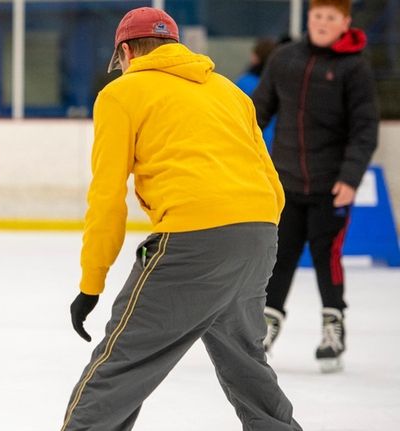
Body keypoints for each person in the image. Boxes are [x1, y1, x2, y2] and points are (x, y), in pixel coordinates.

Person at [62, 7, 301, 431]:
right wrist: (249, 236)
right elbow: (272, 182)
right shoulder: (229, 91)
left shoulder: (121, 93)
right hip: (259, 233)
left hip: (193, 239)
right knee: (245, 359)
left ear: (127, 52)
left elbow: (106, 198)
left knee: (121, 363)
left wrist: (91, 284)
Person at [252, 0, 379, 373]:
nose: (323, 23)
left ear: (345, 23)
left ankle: (333, 326)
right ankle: (266, 325)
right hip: (286, 183)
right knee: (279, 257)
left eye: (331, 18)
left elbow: (364, 129)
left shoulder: (354, 68)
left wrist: (350, 177)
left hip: (331, 186)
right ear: (309, 18)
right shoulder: (284, 59)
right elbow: (259, 110)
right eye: (317, 16)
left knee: (328, 259)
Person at [235, 37, 278, 152]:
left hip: (254, 141)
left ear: (256, 57)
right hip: (278, 142)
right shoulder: (279, 81)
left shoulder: (244, 82)